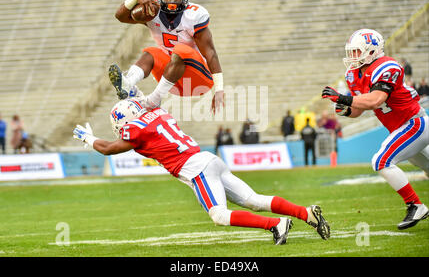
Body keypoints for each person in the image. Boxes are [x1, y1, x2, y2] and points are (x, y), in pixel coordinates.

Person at [73, 99, 331, 244]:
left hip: (195, 168)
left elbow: (108, 148)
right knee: (254, 200)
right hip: (208, 158)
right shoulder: (158, 114)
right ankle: (306, 214)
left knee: (219, 215)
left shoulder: (135, 129)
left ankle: (277, 225)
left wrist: (88, 138)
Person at [322, 28, 429, 230]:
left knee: (381, 161)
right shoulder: (353, 74)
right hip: (402, 128)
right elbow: (359, 109)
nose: (352, 56)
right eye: (351, 51)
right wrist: (345, 110)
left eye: (357, 51)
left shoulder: (387, 66)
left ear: (372, 51)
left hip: (414, 123)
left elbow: (376, 100)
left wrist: (344, 98)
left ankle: (415, 205)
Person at [110, 0, 224, 114]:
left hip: (199, 78)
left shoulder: (194, 16)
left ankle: (153, 100)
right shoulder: (152, 8)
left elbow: (211, 53)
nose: (172, 2)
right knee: (151, 53)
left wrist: (219, 89)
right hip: (172, 78)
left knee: (181, 50)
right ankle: (128, 83)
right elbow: (120, 16)